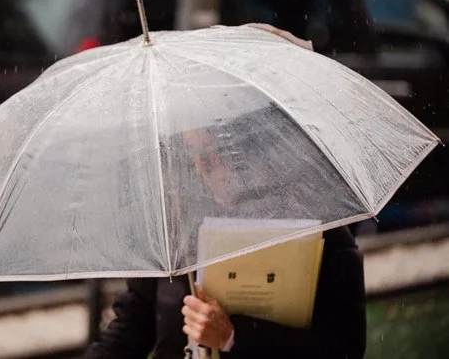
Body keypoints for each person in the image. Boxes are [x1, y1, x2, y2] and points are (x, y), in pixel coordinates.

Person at [85, 107, 367, 359]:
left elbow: (342, 349)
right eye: (192, 154)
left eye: (211, 155)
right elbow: (137, 318)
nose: (199, 168)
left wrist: (234, 337)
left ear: (248, 150)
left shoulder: (321, 232)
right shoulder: (178, 223)